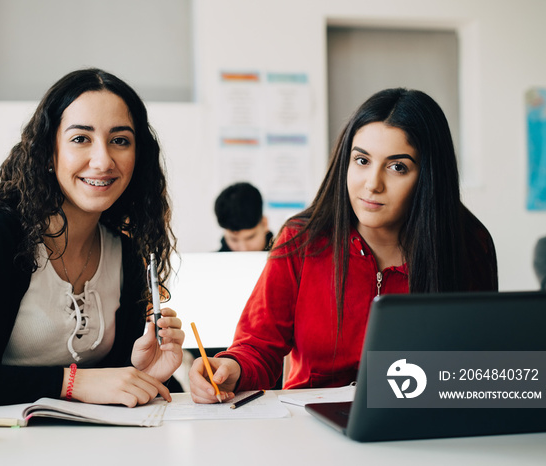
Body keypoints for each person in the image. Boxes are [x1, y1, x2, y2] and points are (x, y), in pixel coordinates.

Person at [189, 88, 498, 403]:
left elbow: (481, 366)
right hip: (310, 429)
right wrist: (229, 367)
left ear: (429, 176)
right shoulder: (302, 239)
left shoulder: (468, 245)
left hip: (420, 427)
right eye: (362, 160)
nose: (372, 183)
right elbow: (259, 346)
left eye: (398, 167)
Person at [0, 68, 185, 408]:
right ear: (48, 152)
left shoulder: (126, 253)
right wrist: (70, 383)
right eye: (81, 139)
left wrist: (148, 374)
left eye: (120, 140)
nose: (103, 160)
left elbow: (112, 385)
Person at [214, 182, 273, 251]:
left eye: (250, 237)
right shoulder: (209, 261)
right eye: (234, 239)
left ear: (264, 223)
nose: (243, 249)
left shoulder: (287, 259)